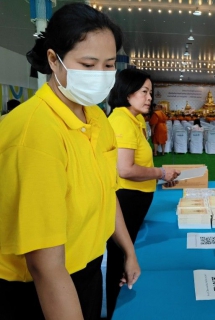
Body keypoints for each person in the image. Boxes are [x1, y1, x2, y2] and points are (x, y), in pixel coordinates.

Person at [0, 3, 140, 320]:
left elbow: (108, 193)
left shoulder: (97, 119)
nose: (101, 76)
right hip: (38, 287)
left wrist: (128, 251)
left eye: (108, 65)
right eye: (88, 64)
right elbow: (44, 264)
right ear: (54, 60)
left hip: (87, 267)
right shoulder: (33, 134)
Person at [107, 69, 180, 319]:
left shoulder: (135, 119)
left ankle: (117, 288)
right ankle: (114, 301)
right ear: (127, 93)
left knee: (122, 252)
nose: (149, 98)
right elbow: (125, 169)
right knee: (119, 252)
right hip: (126, 197)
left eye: (151, 92)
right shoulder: (122, 121)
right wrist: (160, 173)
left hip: (137, 197)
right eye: (144, 92)